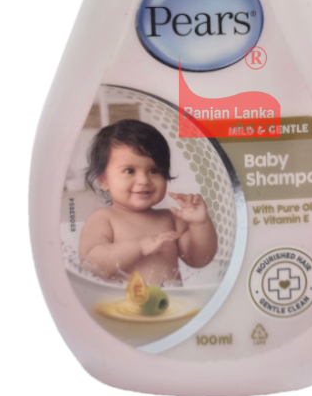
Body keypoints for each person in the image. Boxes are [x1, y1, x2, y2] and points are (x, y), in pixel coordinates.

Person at [79, 119, 217, 285]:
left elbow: (200, 260)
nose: (144, 180)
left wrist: (200, 224)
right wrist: (140, 246)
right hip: (121, 301)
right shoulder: (103, 219)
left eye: (154, 170)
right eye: (129, 171)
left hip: (170, 301)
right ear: (104, 180)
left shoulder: (172, 219)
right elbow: (91, 265)